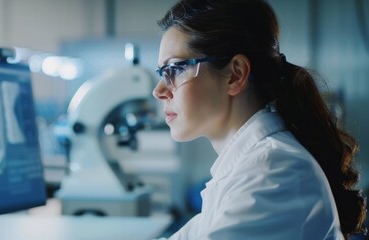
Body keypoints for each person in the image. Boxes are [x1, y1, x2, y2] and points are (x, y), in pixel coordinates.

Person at [152, 0, 366, 239]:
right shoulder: (247, 170)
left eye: (175, 69)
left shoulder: (274, 173)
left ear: (235, 74)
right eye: (162, 73)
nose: (159, 90)